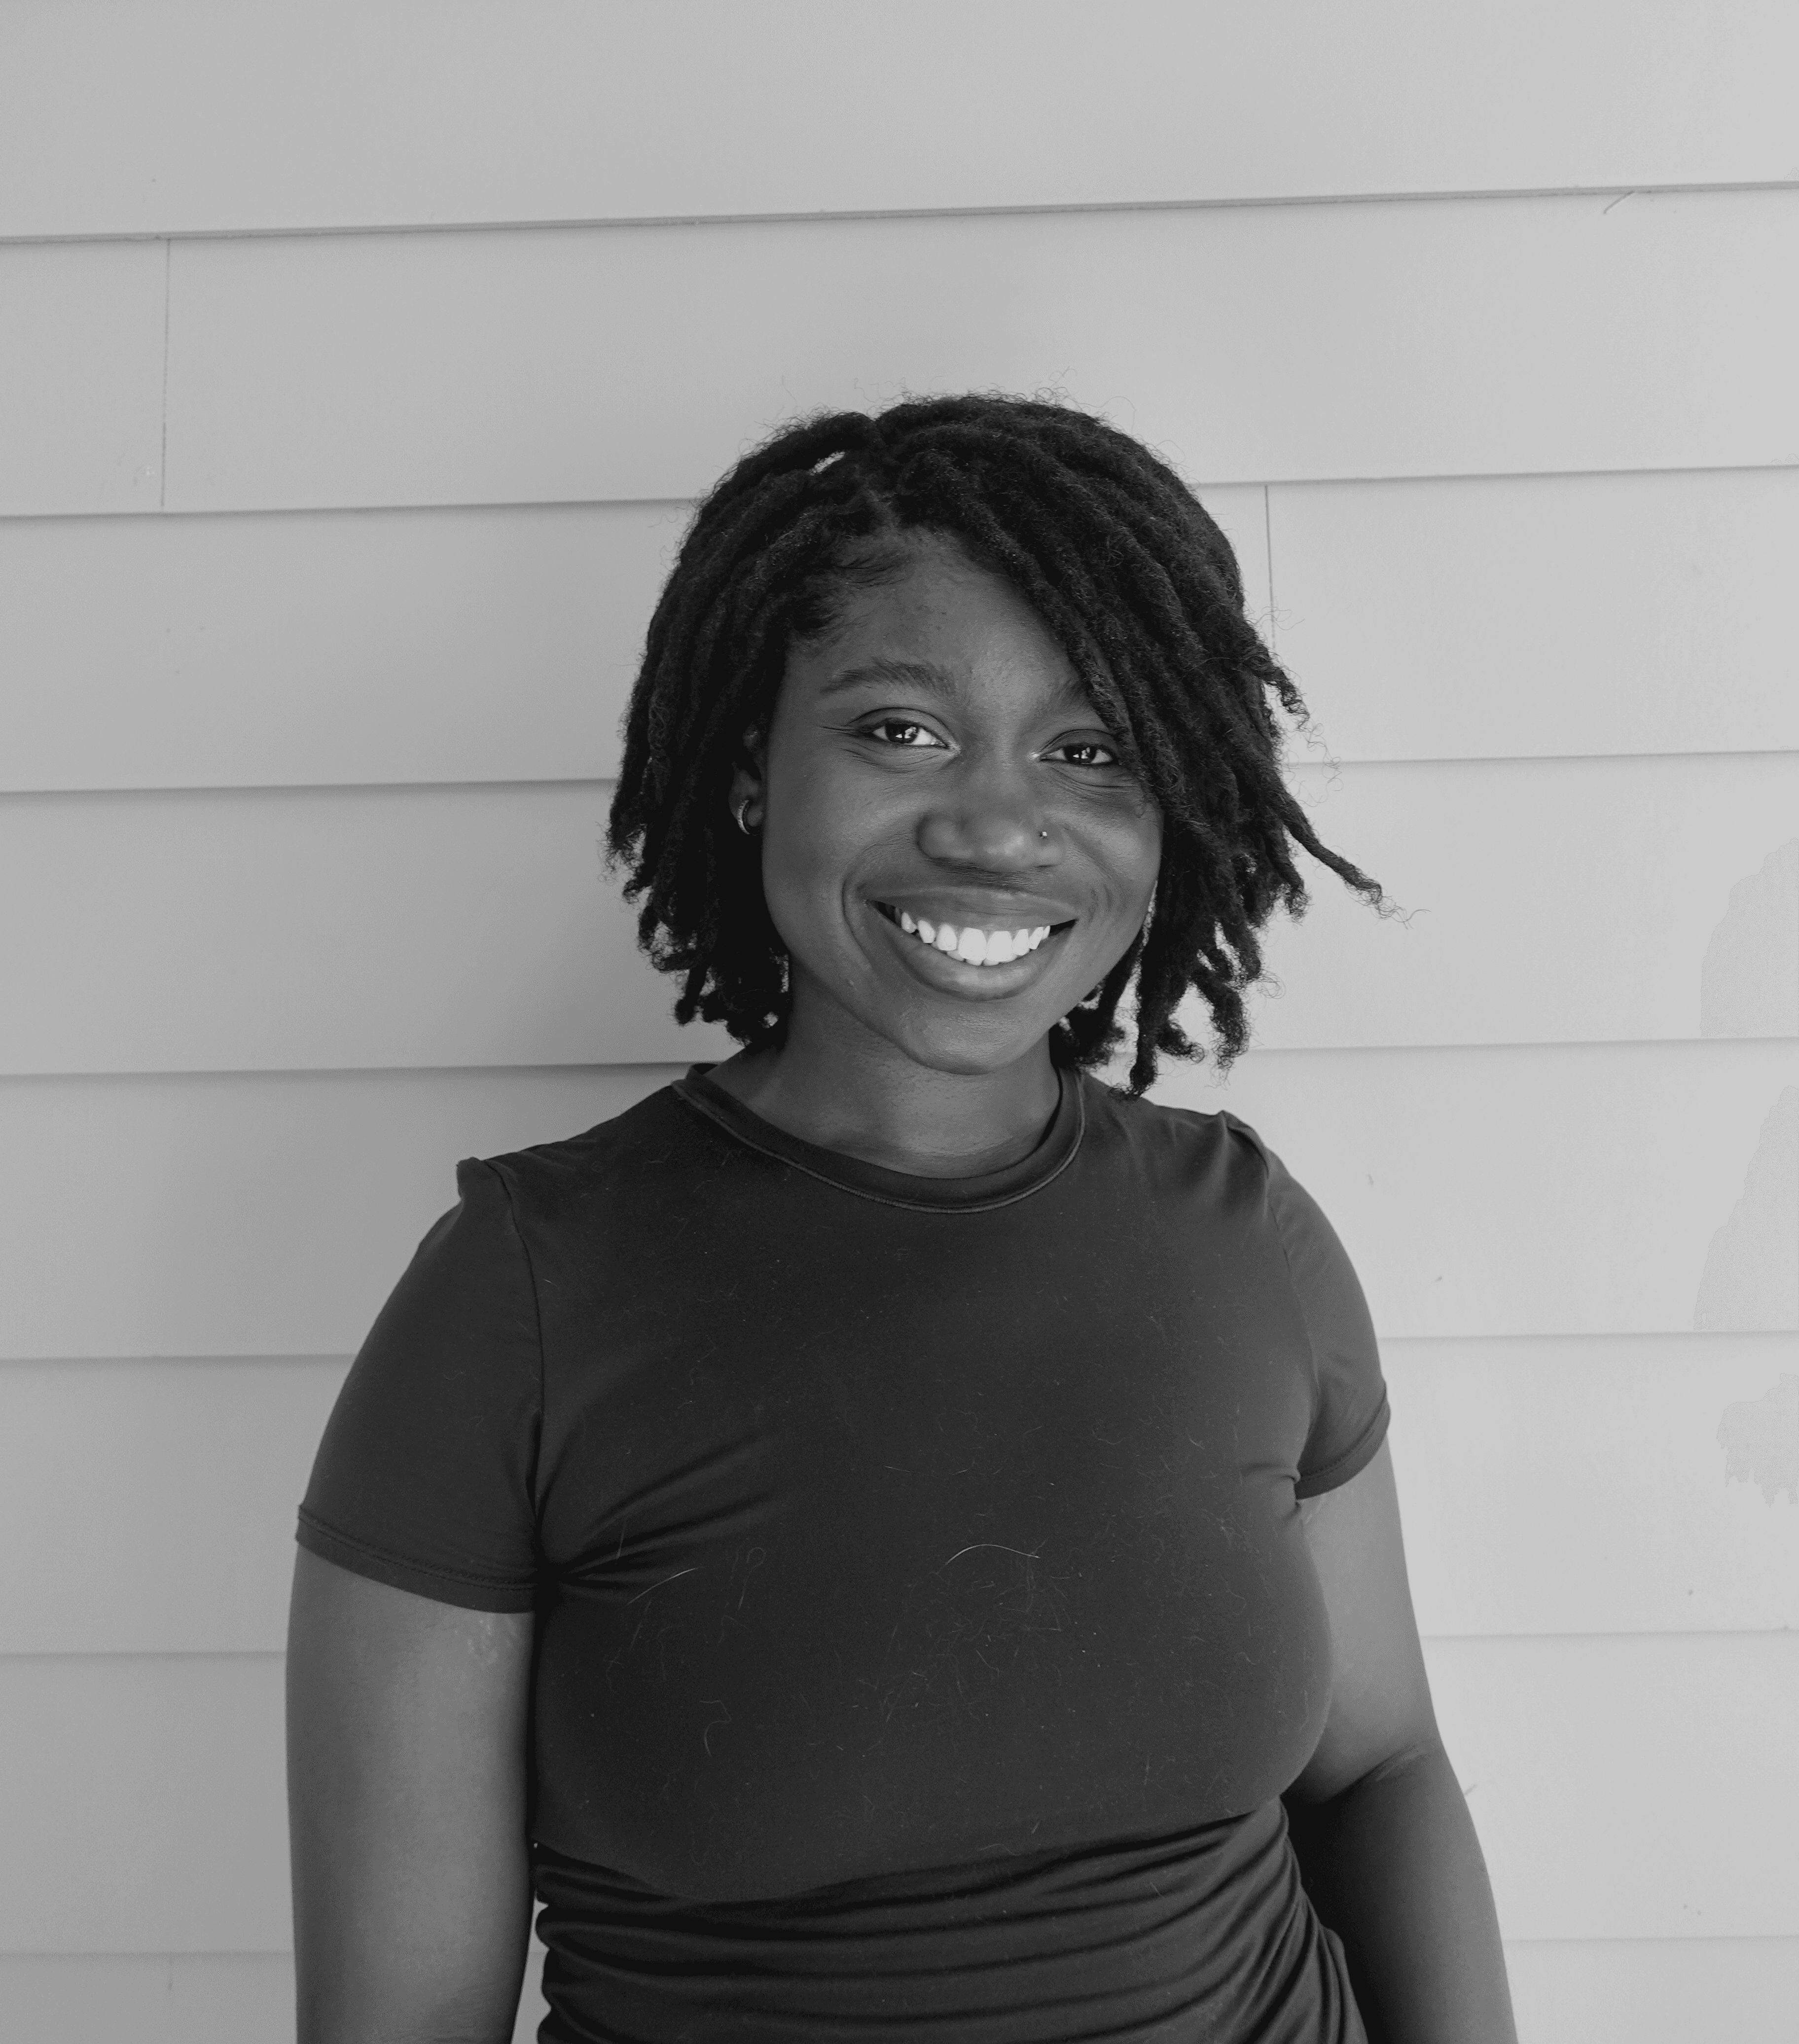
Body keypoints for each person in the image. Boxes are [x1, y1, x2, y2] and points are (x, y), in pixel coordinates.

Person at [287, 394, 1517, 2044]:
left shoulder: (1246, 1242)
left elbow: (1379, 1765)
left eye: (1089, 753)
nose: (999, 827)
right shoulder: (521, 1296)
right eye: (901, 732)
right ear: (747, 767)